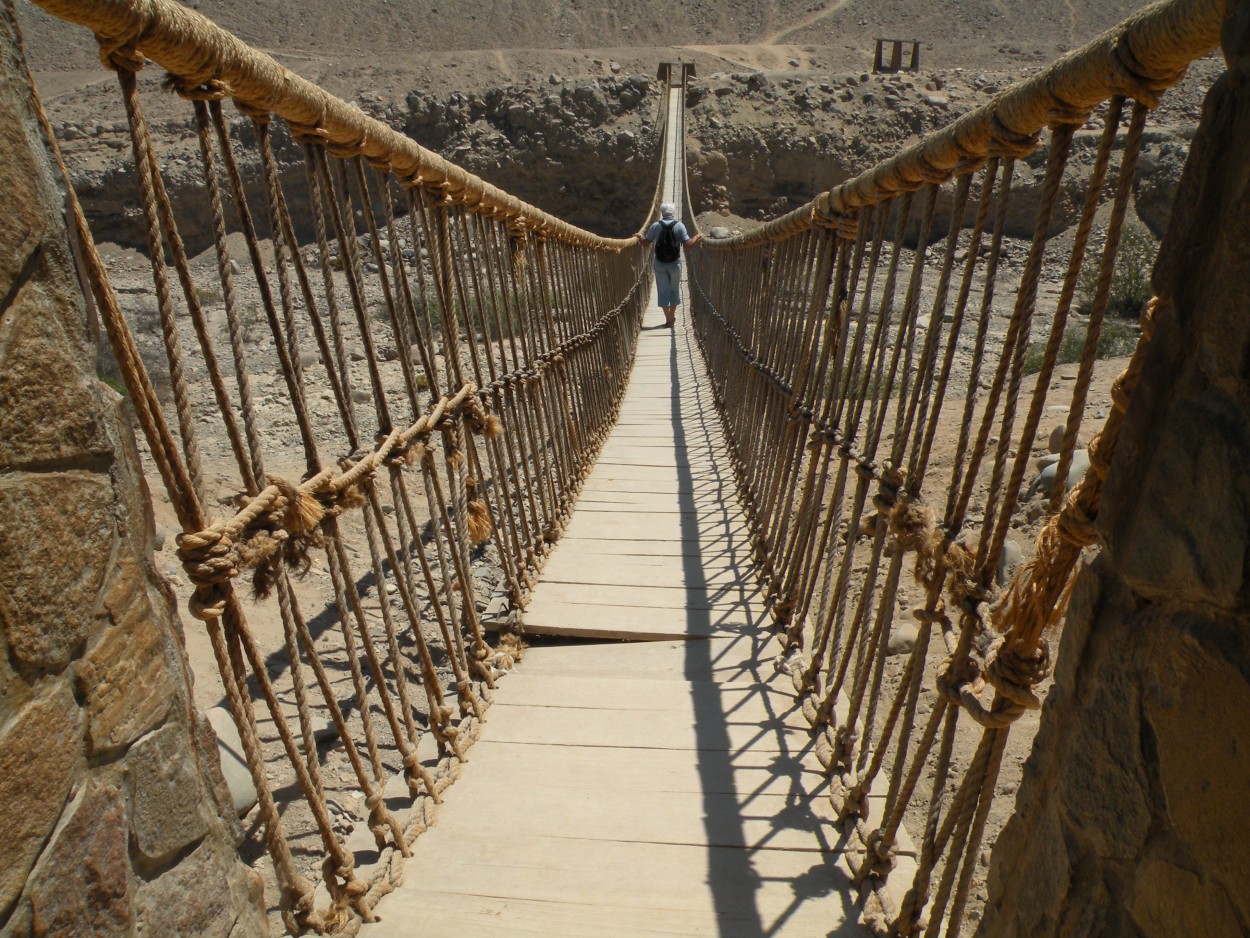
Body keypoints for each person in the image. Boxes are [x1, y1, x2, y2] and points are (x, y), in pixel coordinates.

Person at [634, 202, 701, 328]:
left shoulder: (655, 225)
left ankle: (669, 319)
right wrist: (696, 237)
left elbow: (646, 243)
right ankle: (671, 317)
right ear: (673, 212)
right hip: (675, 264)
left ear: (662, 213)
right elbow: (687, 245)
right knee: (674, 290)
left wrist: (640, 237)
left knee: (663, 291)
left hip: (659, 263)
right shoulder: (680, 226)